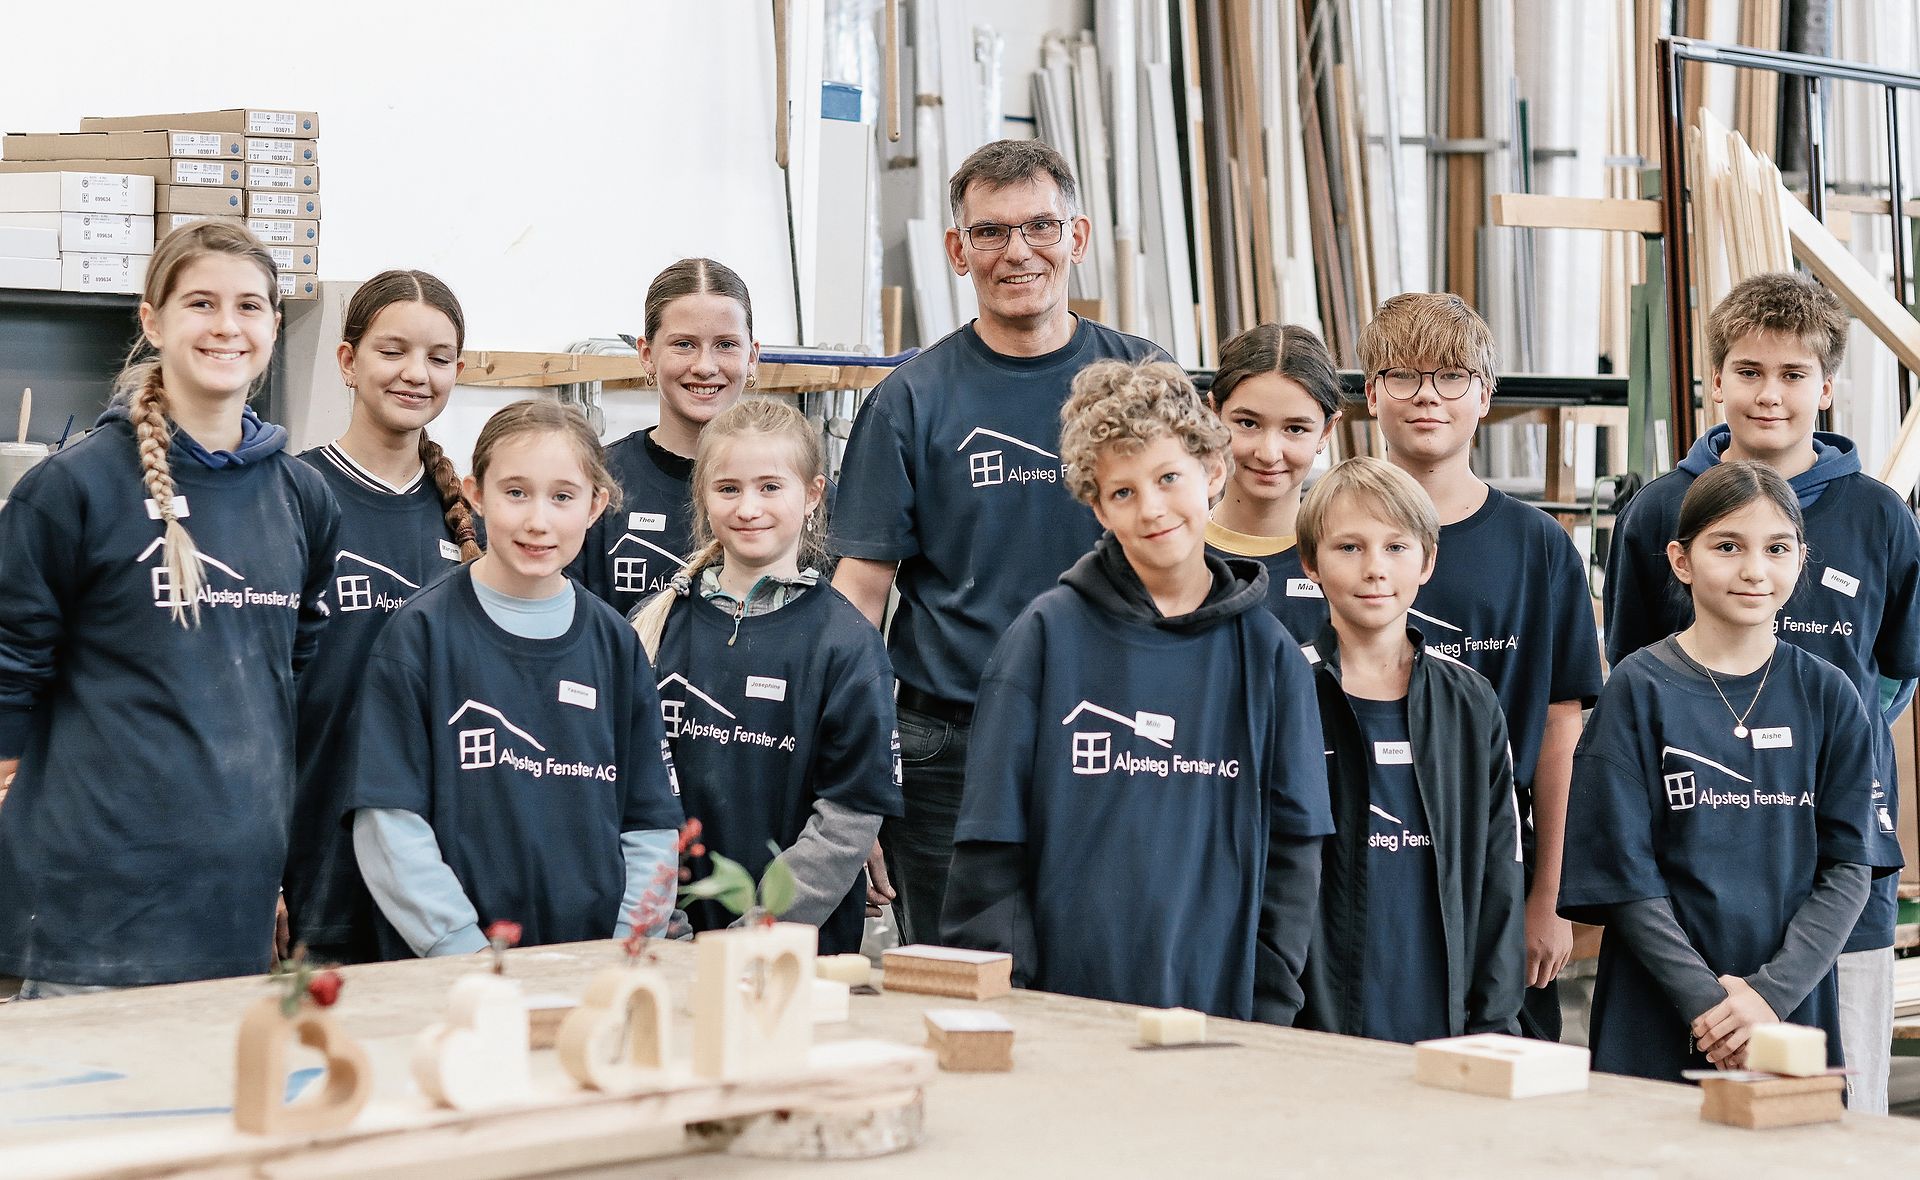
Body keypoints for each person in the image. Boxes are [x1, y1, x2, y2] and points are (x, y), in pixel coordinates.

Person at [830, 139, 1169, 942]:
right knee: (959, 986)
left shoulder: (1143, 380)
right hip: (952, 745)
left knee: (1110, 974)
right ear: (957, 250)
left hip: (1116, 726)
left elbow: (1191, 559)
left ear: (1076, 239)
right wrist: (857, 773)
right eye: (990, 232)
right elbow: (858, 598)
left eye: (1040, 226)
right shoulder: (910, 400)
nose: (1018, 251)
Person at [1604, 271, 1919, 1110]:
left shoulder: (1881, 517)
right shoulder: (1658, 512)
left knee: (1837, 1114)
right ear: (1714, 380)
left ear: (1827, 386)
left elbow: (1894, 669)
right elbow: (1636, 671)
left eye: (1791, 375)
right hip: (1690, 876)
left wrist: (1823, 750)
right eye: (1748, 372)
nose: (1769, 395)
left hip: (1835, 883)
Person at [0, 222, 338, 993]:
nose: (227, 326)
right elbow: (9, 665)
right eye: (200, 303)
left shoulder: (301, 497)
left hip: (232, 900)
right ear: (152, 320)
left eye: (249, 306)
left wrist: (276, 874)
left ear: (273, 328)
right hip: (90, 909)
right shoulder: (72, 489)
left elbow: (291, 681)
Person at [942, 359, 1330, 1021]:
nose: (1151, 509)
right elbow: (989, 855)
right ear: (1096, 503)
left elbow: (1296, 854)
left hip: (1221, 1018)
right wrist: (1019, 1009)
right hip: (1063, 1015)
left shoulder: (1269, 659)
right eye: (1123, 492)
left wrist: (1267, 1006)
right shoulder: (1042, 642)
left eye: (1168, 478)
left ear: (1212, 471)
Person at [1563, 460, 1892, 1082]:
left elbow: (1850, 864)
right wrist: (1710, 1006)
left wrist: (1768, 998)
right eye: (1727, 546)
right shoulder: (1637, 689)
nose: (1753, 569)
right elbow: (1624, 873)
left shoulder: (1829, 695)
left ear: (1801, 559)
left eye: (1776, 548)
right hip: (1655, 1000)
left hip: (1789, 1005)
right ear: (1681, 560)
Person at [345, 400, 682, 956]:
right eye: (516, 492)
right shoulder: (420, 636)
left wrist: (626, 949)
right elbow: (387, 820)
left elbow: (651, 823)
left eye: (563, 497)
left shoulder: (616, 645)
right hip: (456, 973)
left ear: (596, 506)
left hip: (593, 967)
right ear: (477, 494)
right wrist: (460, 948)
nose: (538, 521)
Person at [1361, 292, 1603, 1039]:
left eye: (1451, 375)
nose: (1427, 394)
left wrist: (1549, 899)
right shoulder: (1340, 533)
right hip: (1368, 851)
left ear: (1485, 396)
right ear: (1372, 394)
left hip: (1500, 858)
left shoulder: (1538, 548)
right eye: (1402, 375)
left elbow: (1563, 730)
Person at [632, 400, 901, 955]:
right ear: (703, 499)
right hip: (666, 941)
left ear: (812, 496)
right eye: (728, 489)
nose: (748, 507)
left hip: (795, 955)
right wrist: (659, 916)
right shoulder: (652, 628)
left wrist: (756, 932)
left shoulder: (847, 643)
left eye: (770, 487)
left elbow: (847, 819)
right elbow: (626, 793)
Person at [283, 270, 483, 964]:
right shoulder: (293, 494)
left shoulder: (472, 523)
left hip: (435, 872)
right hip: (314, 857)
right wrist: (265, 872)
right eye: (392, 350)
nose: (416, 374)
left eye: (438, 357)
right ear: (347, 360)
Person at [1291, 457, 1524, 1042]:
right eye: (1349, 547)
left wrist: (1494, 1022)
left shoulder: (1470, 703)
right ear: (1310, 563)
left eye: (1396, 547)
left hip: (1445, 1019)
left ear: (1428, 561)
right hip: (1314, 1025)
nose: (1375, 569)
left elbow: (1500, 869)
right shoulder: (1284, 692)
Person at [572, 258, 758, 617]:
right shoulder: (594, 480)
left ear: (752, 357)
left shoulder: (796, 490)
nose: (705, 366)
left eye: (726, 345)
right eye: (684, 344)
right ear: (647, 354)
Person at [1203, 322, 1343, 642]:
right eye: (1248, 423)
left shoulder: (1347, 563)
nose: (1268, 453)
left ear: (1326, 431)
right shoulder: (1169, 552)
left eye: (1295, 429)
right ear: (1213, 414)